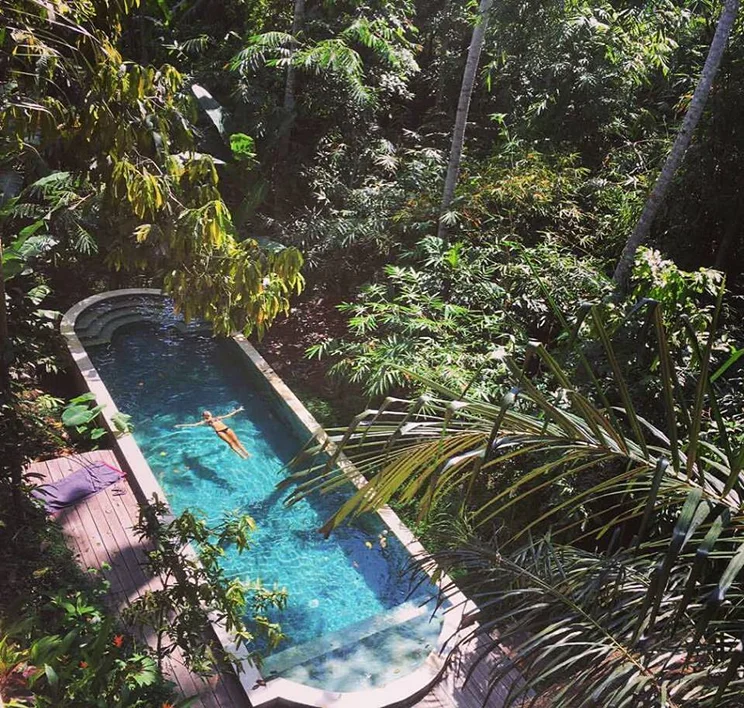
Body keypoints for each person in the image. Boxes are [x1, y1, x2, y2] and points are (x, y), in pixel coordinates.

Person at [176, 407, 251, 459]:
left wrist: (238, 410)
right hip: (220, 431)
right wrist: (180, 425)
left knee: (236, 441)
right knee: (230, 443)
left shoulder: (217, 418)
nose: (208, 412)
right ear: (205, 416)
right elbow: (194, 425)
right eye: (206, 412)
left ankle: (246, 453)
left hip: (227, 429)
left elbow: (228, 415)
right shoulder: (206, 421)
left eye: (208, 411)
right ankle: (241, 454)